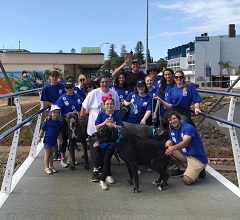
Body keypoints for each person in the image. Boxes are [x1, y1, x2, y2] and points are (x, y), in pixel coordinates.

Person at [79, 75, 120, 182]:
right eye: (102, 82)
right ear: (99, 83)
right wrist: (82, 118)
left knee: (106, 152)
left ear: (109, 82)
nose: (104, 84)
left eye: (106, 82)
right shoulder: (94, 93)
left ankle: (105, 171)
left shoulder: (114, 93)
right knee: (95, 152)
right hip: (95, 127)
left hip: (108, 131)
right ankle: (96, 170)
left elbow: (116, 110)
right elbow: (84, 106)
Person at [164, 110, 208, 184]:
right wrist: (164, 147)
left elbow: (185, 142)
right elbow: (169, 142)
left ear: (178, 118)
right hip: (186, 155)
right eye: (170, 120)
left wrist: (173, 148)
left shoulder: (188, 128)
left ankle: (199, 171)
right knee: (167, 150)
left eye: (174, 118)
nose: (173, 121)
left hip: (197, 158)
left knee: (186, 181)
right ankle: (182, 169)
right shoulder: (173, 131)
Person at [95, 94, 124, 190]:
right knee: (104, 159)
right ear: (104, 105)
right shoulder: (101, 114)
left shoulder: (116, 114)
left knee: (107, 159)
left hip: (112, 141)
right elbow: (97, 126)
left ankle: (102, 180)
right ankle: (108, 174)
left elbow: (122, 127)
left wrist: (114, 125)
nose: (109, 106)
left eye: (111, 104)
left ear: (114, 105)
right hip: (102, 141)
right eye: (107, 104)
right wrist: (104, 123)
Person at [55, 81, 83, 168]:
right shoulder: (62, 98)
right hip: (65, 122)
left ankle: (71, 157)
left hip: (75, 122)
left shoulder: (78, 97)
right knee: (63, 140)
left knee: (72, 140)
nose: (69, 89)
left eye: (70, 87)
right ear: (65, 89)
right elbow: (57, 108)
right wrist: (51, 117)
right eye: (67, 88)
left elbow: (82, 108)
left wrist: (81, 116)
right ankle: (63, 158)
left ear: (73, 88)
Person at [40, 70, 65, 160]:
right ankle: (55, 152)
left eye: (55, 76)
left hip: (62, 111)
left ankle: (61, 152)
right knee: (53, 132)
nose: (54, 78)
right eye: (52, 76)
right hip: (52, 112)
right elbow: (45, 102)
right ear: (49, 77)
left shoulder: (62, 86)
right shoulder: (46, 88)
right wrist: (54, 106)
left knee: (61, 131)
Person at [37, 105, 62, 174]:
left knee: (51, 154)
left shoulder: (59, 122)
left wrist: (61, 138)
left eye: (57, 113)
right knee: (47, 154)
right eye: (54, 113)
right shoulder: (48, 121)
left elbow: (59, 132)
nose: (56, 114)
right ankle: (46, 167)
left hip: (54, 141)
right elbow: (42, 129)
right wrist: (39, 136)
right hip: (48, 140)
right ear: (51, 113)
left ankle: (51, 166)